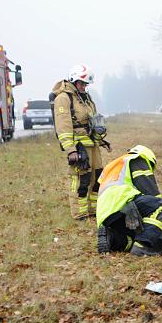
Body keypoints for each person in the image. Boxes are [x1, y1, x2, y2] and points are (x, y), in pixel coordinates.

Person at [96, 145, 162, 257]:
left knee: (132, 237)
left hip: (105, 213)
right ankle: (142, 245)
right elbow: (150, 191)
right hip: (124, 200)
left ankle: (111, 236)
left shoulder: (112, 166)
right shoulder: (138, 159)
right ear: (149, 158)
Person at [51, 64, 104, 220]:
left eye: (86, 84)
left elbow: (93, 119)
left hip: (92, 144)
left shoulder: (85, 98)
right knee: (81, 180)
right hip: (79, 147)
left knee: (97, 177)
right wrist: (71, 150)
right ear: (73, 80)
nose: (84, 87)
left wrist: (100, 136)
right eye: (82, 83)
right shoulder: (63, 98)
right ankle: (79, 212)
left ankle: (93, 209)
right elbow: (63, 126)